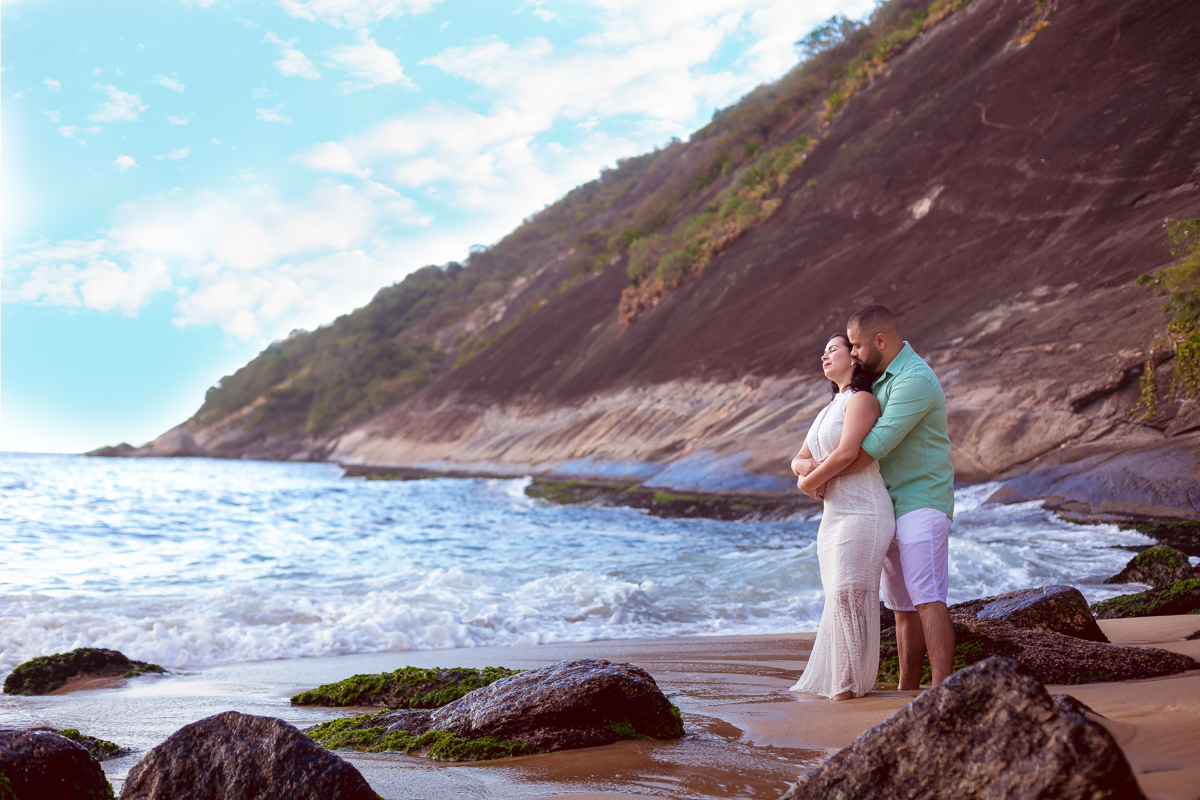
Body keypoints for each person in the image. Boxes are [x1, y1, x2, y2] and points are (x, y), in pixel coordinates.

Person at [797, 304, 955, 691]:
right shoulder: (879, 381)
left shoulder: (913, 380)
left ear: (880, 340)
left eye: (856, 345)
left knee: (927, 597)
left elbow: (869, 450)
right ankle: (907, 689)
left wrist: (815, 479)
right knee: (901, 607)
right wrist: (814, 472)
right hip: (887, 501)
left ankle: (946, 691)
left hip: (922, 500)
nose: (853, 353)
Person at [788, 333, 895, 701]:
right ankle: (843, 683)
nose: (824, 355)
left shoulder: (862, 400)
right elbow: (796, 458)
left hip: (864, 510)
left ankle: (847, 686)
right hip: (833, 516)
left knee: (850, 595)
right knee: (838, 597)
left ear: (854, 357)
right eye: (824, 350)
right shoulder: (828, 408)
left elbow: (848, 452)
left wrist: (809, 482)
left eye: (832, 349)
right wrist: (807, 470)